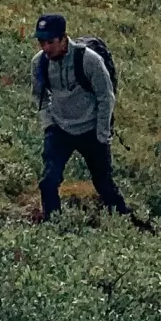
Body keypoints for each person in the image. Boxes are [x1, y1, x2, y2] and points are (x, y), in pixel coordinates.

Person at [31, 13, 128, 220]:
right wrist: (48, 125)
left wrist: (102, 134)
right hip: (59, 129)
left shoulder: (89, 60)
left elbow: (106, 97)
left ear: (63, 38)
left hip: (91, 130)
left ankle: (126, 222)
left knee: (104, 184)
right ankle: (53, 226)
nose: (45, 47)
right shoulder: (39, 63)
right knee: (48, 181)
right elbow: (39, 97)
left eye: (50, 42)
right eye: (41, 42)